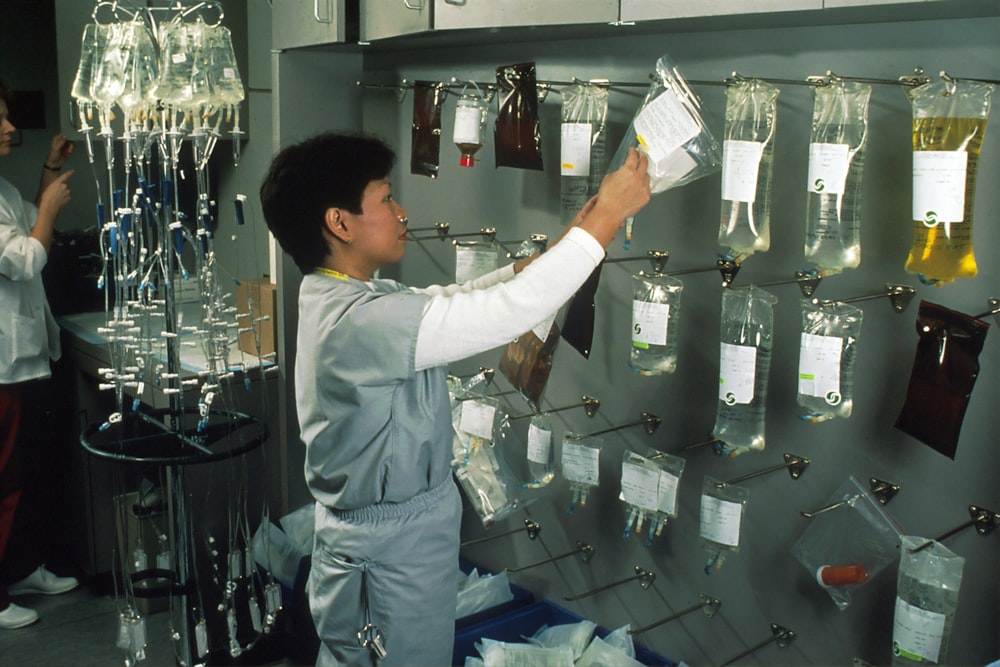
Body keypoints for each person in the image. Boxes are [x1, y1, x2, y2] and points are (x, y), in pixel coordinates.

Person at [259, 130, 649, 666]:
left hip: (402, 540)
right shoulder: (359, 322)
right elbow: (501, 314)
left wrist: (572, 238)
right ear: (340, 222)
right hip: (386, 551)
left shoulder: (356, 296)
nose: (402, 211)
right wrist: (605, 221)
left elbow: (460, 297)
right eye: (386, 197)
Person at [0, 81, 79, 630]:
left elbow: (29, 220)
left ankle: (20, 567)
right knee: (1, 476)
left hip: (23, 356)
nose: (10, 128)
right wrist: (49, 206)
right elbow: (27, 257)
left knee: (26, 470)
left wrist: (49, 173)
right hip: (1, 365)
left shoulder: (0, 185)